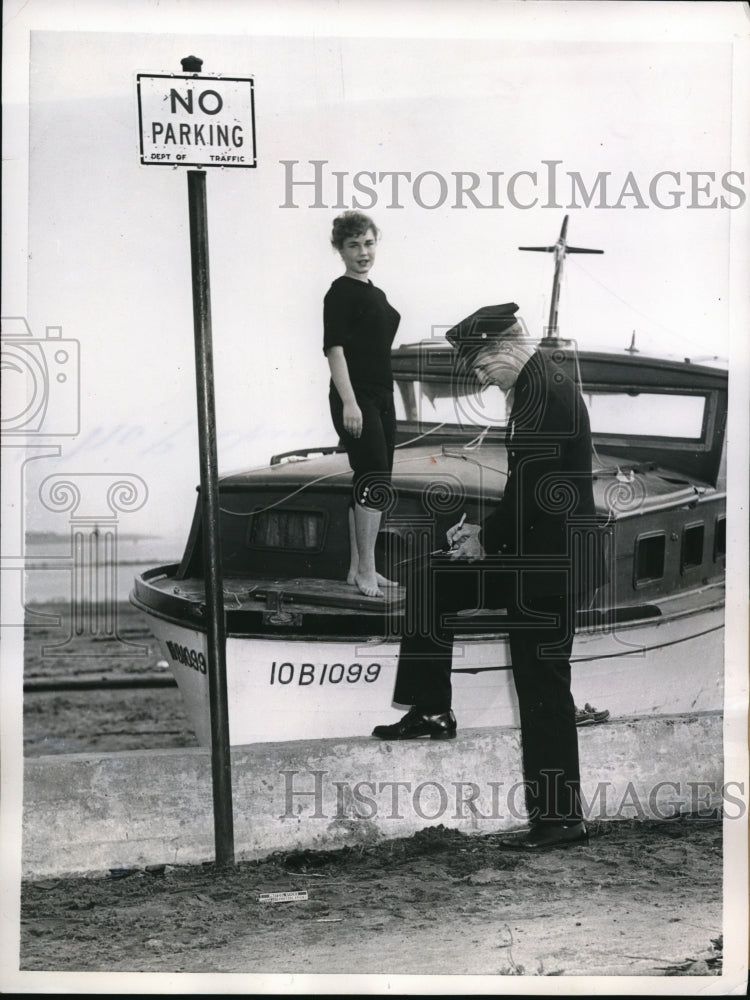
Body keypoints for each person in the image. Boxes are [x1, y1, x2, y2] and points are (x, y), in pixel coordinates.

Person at [372, 303, 603, 850]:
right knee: (433, 580)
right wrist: (483, 533)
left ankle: (560, 821)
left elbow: (535, 487)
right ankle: (431, 709)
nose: (479, 378)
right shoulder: (533, 386)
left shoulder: (543, 392)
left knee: (543, 688)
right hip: (532, 554)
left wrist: (486, 538)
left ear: (503, 348)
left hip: (550, 567)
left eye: (479, 367)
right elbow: (523, 484)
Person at [323, 211, 401, 598]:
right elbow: (334, 351)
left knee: (374, 478)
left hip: (382, 396)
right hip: (356, 396)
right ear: (340, 250)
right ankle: (367, 569)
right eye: (353, 245)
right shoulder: (340, 291)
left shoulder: (377, 294)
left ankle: (359, 567)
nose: (363, 252)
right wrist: (350, 404)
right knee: (373, 477)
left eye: (368, 243)